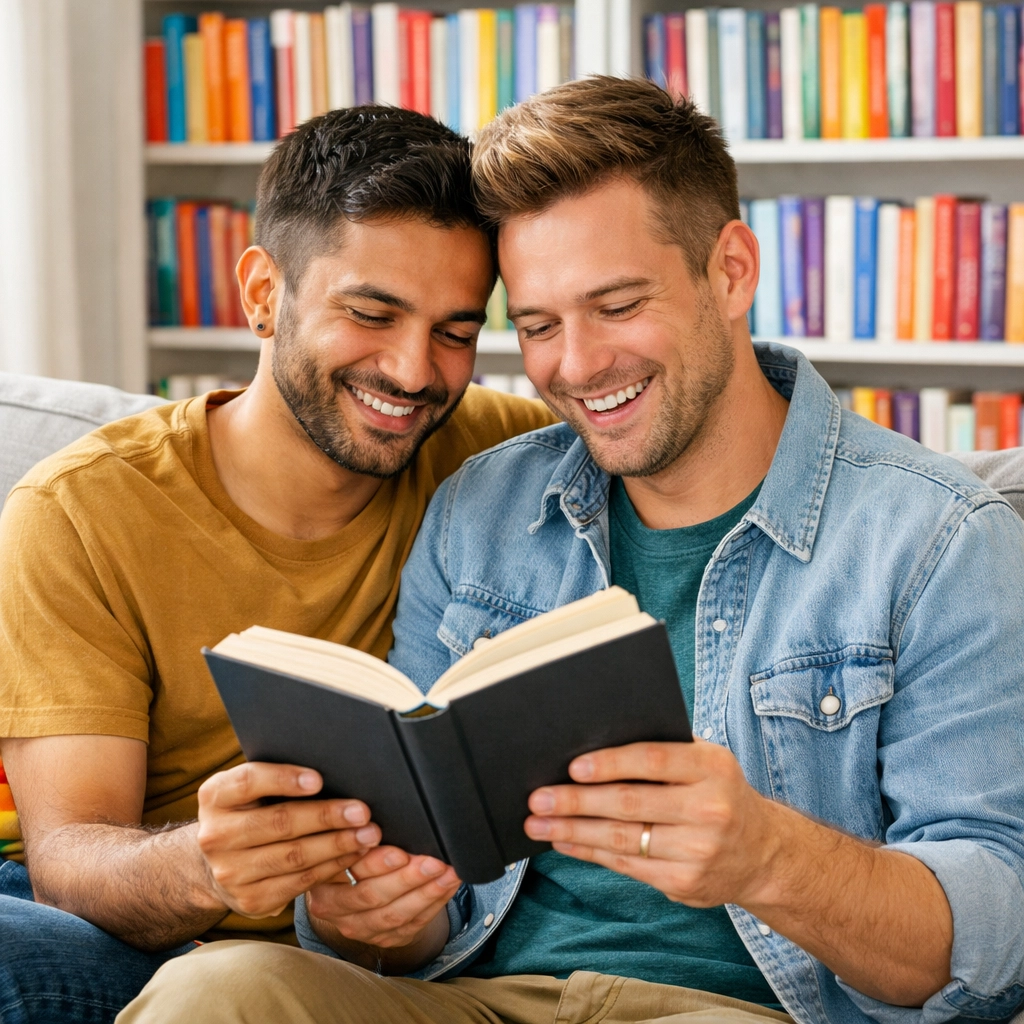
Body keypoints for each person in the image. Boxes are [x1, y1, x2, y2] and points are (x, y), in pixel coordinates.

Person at [117, 79, 1024, 1024]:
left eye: (619, 304)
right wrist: (365, 914)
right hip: (479, 999)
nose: (578, 366)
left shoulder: (940, 543)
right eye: (539, 326)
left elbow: (999, 935)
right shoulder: (484, 507)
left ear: (732, 271)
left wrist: (766, 855)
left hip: (735, 1012)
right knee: (216, 989)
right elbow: (418, 919)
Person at [0, 106, 554, 1024]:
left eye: (455, 331)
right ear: (263, 293)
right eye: (371, 313)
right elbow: (69, 861)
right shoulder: (81, 512)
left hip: (395, 957)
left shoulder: (502, 455)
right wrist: (204, 863)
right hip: (149, 942)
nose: (415, 372)